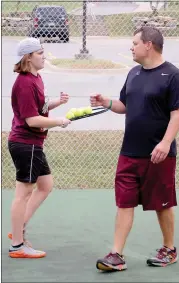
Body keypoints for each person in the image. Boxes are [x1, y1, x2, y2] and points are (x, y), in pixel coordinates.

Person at [90, 26, 179, 270]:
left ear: (149, 45)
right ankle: (116, 255)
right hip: (129, 152)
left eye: (134, 43)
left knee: (161, 204)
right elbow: (125, 104)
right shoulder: (133, 73)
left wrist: (165, 143)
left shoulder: (173, 75)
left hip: (159, 155)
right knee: (124, 202)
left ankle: (169, 249)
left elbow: (177, 114)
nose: (131, 47)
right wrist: (106, 102)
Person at [8, 37, 71, 258]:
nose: (44, 56)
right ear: (28, 57)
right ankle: (17, 246)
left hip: (33, 144)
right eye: (40, 53)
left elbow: (39, 107)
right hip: (26, 144)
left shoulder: (37, 78)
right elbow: (32, 120)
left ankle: (19, 227)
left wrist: (57, 103)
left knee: (45, 185)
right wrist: (59, 121)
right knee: (23, 193)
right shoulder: (24, 83)